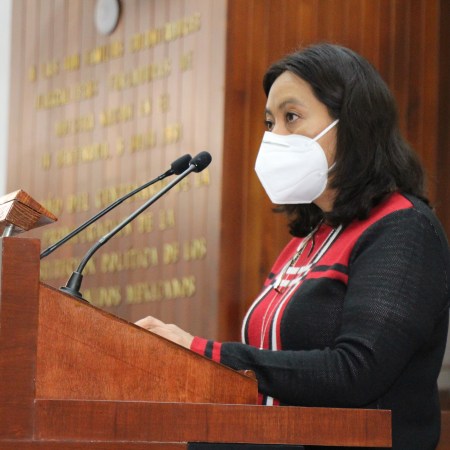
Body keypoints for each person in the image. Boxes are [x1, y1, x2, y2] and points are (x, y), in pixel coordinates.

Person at [136, 43, 450, 450]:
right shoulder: (307, 240)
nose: (274, 137)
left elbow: (356, 371)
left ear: (353, 123)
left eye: (291, 117)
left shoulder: (403, 228)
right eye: (270, 123)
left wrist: (200, 351)